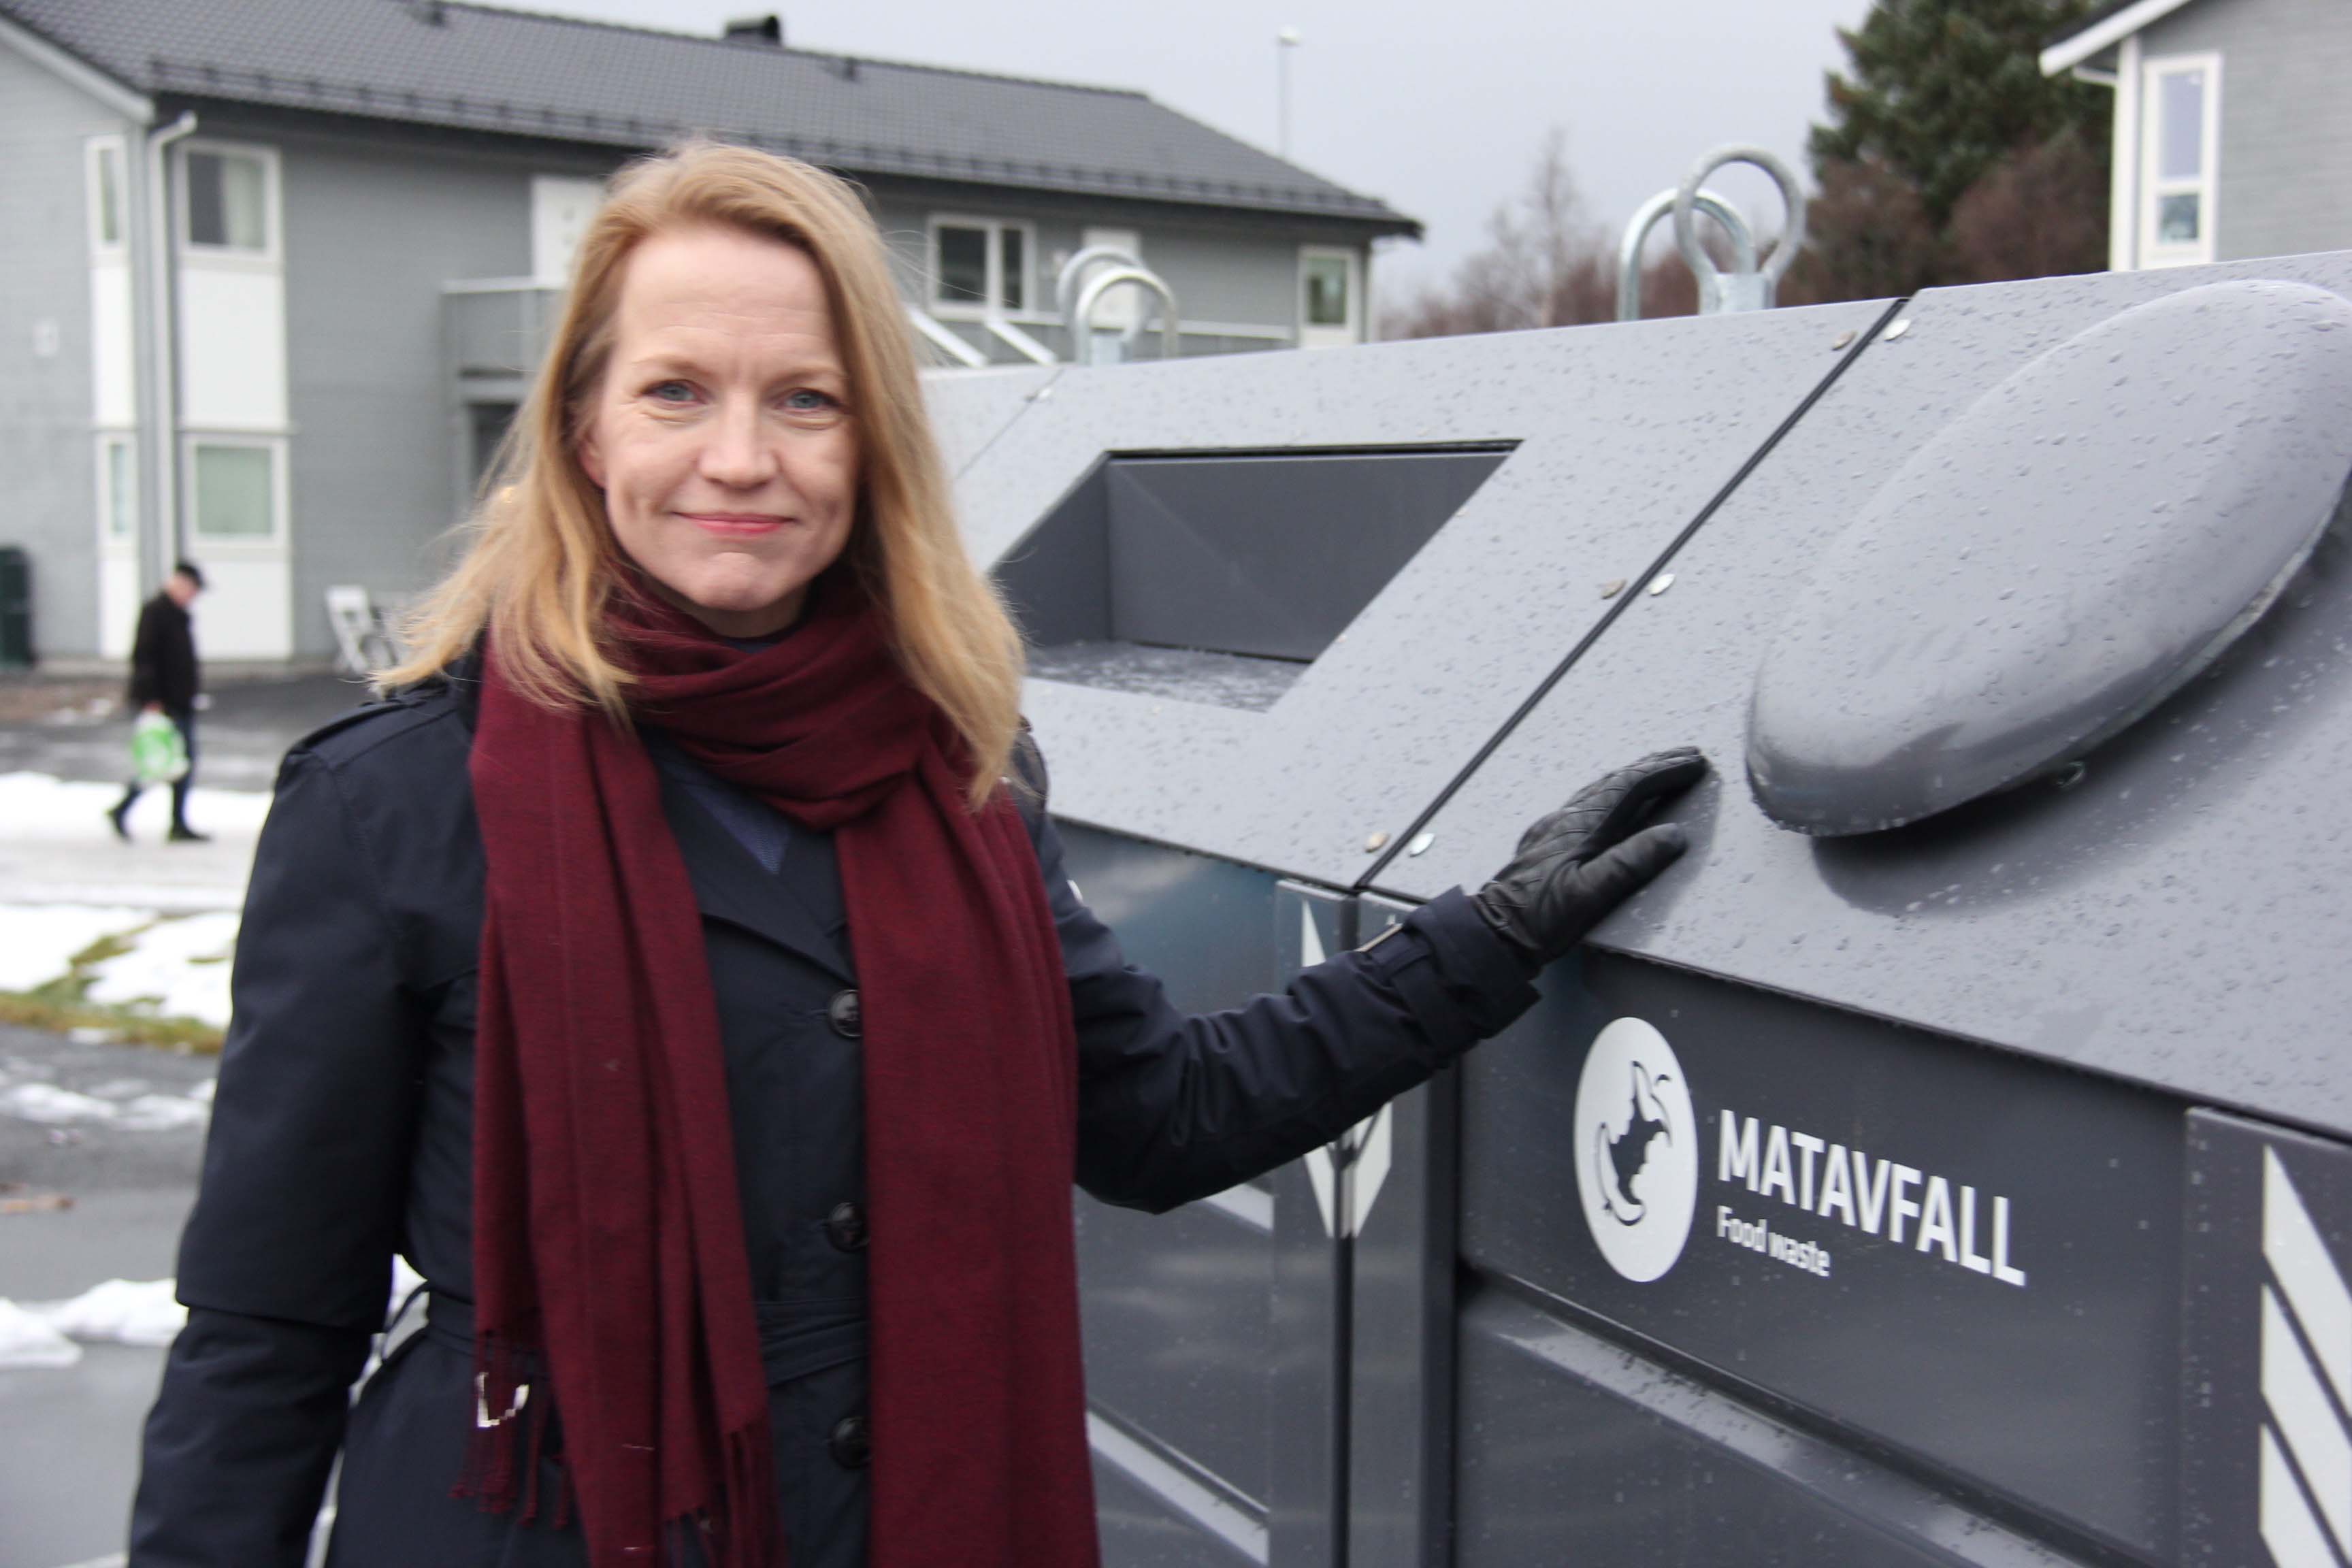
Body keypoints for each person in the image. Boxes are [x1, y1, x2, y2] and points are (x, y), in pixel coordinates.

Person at [128, 143, 1705, 1568]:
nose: (740, 460)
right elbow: (269, 1327)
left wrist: (1485, 939)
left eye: (802, 400)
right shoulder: (397, 805)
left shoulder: (953, 779)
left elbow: (1159, 1112)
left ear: (869, 442)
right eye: (677, 391)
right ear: (582, 429)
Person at [109, 561, 208, 843]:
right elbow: (144, 658)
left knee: (176, 763)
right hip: (165, 704)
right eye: (193, 590)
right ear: (180, 584)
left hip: (179, 701)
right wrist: (151, 699)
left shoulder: (178, 614)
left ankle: (172, 820)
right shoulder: (156, 612)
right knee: (165, 762)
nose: (193, 596)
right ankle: (133, 811)